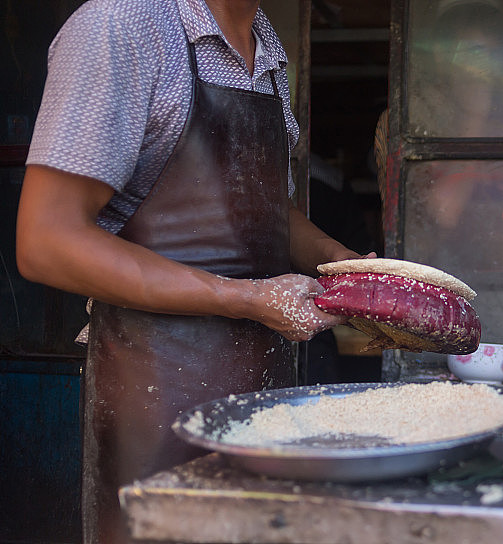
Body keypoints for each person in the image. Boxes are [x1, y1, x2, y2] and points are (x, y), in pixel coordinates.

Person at [15, 1, 373, 542]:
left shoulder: (266, 45)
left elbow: (259, 207)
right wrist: (244, 298)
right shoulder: (123, 25)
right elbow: (47, 240)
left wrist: (336, 261)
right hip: (156, 398)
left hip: (264, 401)